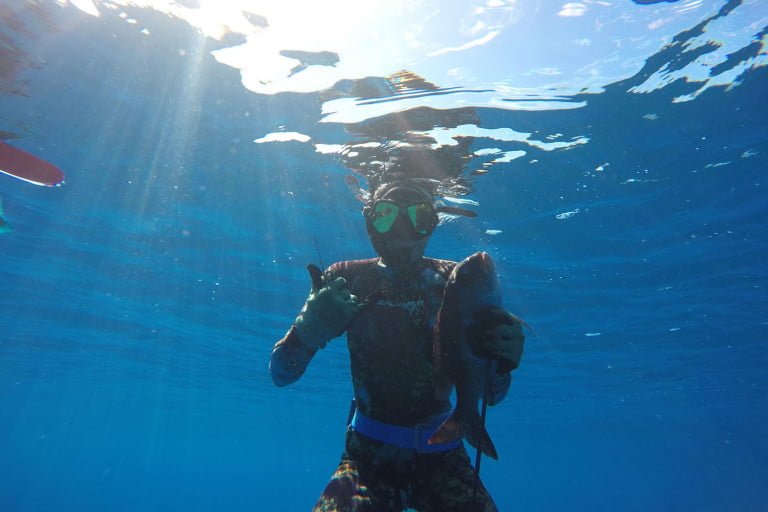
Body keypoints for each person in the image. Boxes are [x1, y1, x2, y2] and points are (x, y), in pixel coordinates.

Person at [270, 181, 525, 512]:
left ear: (433, 222)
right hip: (365, 460)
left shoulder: (456, 281)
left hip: (443, 457)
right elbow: (281, 374)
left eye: (418, 217)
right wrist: (307, 332)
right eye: (386, 216)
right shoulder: (346, 279)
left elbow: (491, 396)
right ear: (369, 220)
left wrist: (502, 364)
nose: (402, 230)